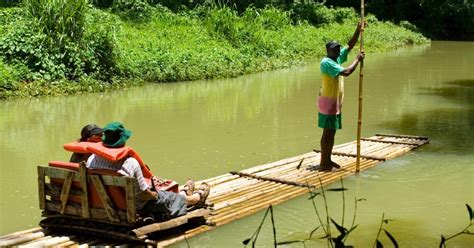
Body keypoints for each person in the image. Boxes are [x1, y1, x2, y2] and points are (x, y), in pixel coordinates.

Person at [86, 121, 210, 219]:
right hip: (132, 207)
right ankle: (195, 199)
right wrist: (155, 195)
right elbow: (144, 195)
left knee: (165, 195)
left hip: (103, 205)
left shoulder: (91, 159)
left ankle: (183, 194)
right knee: (163, 197)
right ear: (123, 141)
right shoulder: (130, 163)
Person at [317, 22, 365, 171]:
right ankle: (324, 163)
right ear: (328, 51)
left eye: (338, 49)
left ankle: (327, 160)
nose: (337, 51)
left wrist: (357, 30)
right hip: (328, 103)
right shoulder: (327, 62)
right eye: (334, 49)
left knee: (331, 132)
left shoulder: (336, 58)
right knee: (328, 133)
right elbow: (346, 72)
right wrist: (357, 59)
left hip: (334, 103)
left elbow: (349, 45)